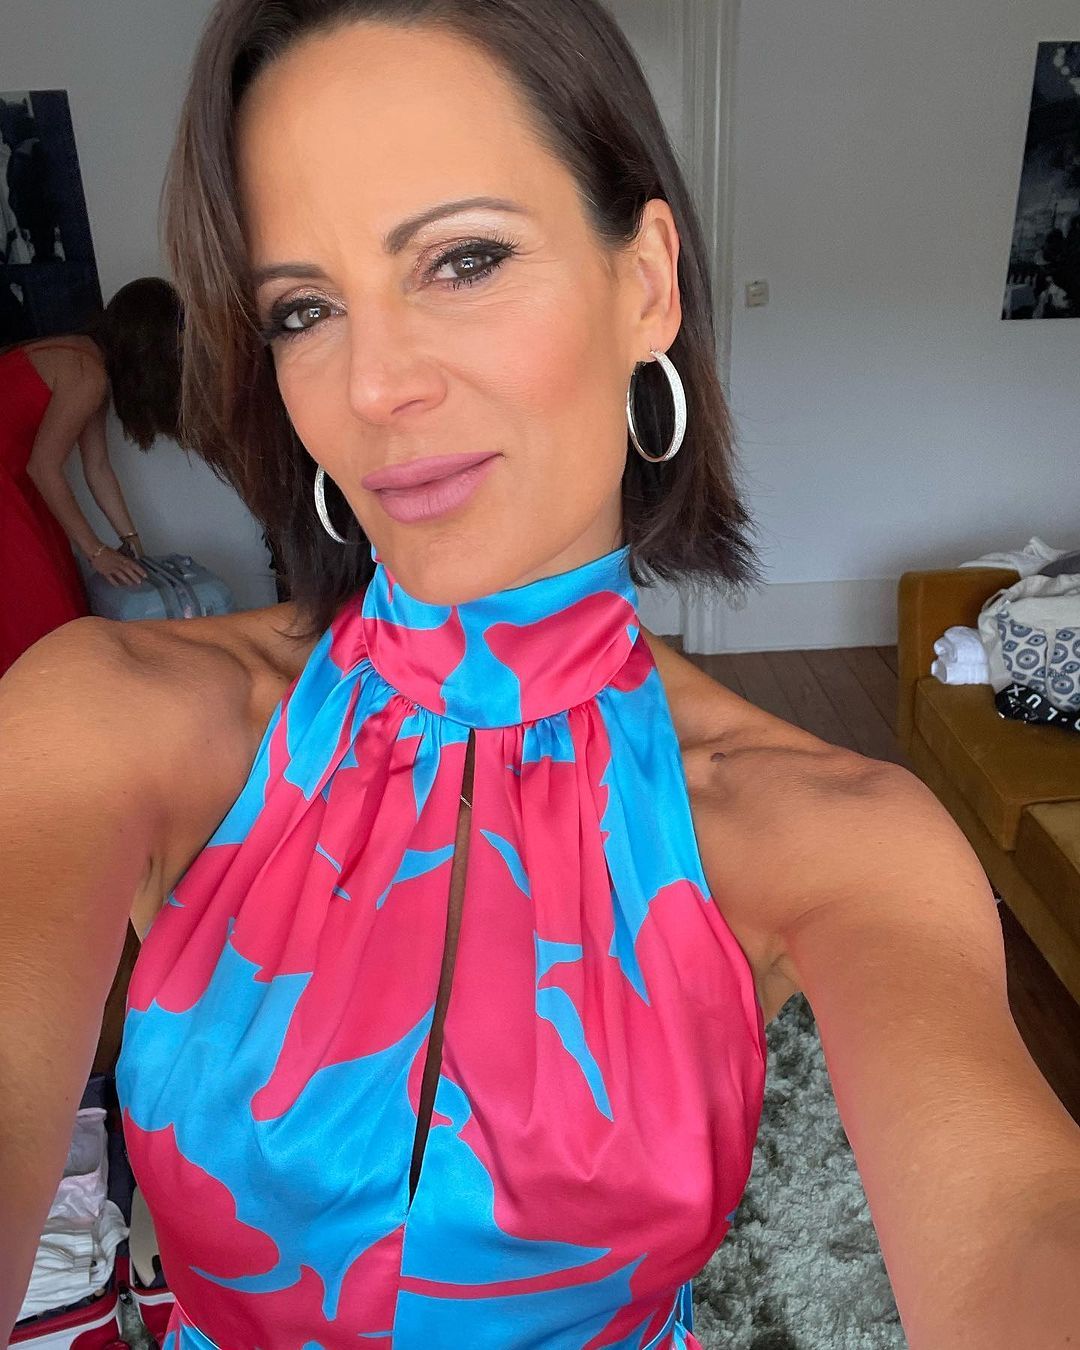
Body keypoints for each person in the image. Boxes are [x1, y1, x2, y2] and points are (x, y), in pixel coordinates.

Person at [2, 2, 1079, 1345]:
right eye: (306, 309)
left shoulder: (828, 831)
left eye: (463, 259)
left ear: (647, 285)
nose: (374, 385)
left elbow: (1019, 1221)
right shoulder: (114, 713)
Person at [0, 276, 183, 678]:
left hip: (17, 487)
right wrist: (97, 553)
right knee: (42, 619)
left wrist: (131, 541)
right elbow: (43, 467)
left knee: (60, 597)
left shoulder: (89, 365)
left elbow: (97, 467)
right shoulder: (86, 373)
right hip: (10, 492)